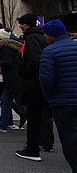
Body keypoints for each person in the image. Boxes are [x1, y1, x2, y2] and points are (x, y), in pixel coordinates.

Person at [39, 19, 77, 172]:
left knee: (70, 141)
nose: (44, 37)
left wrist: (49, 98)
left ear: (51, 35)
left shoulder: (49, 51)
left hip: (63, 102)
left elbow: (46, 80)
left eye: (45, 34)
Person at [16, 13, 50, 162]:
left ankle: (32, 148)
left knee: (33, 114)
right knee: (44, 114)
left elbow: (35, 59)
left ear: (26, 24)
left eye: (21, 24)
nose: (20, 26)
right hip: (42, 80)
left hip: (33, 81)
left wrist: (24, 71)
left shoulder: (31, 37)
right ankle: (43, 142)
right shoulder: (41, 35)